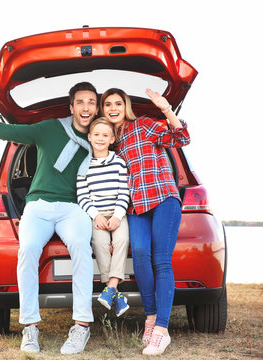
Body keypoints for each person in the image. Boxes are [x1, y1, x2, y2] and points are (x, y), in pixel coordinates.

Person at [0, 82, 98, 355]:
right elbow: (8, 131)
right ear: (71, 107)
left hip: (74, 207)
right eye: (80, 102)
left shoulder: (102, 136)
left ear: (96, 107)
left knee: (82, 248)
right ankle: (30, 328)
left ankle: (81, 326)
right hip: (38, 205)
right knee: (28, 251)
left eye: (91, 102)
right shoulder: (49, 128)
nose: (85, 107)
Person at [100, 88, 190, 356]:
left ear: (125, 105)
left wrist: (166, 109)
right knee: (139, 254)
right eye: (108, 104)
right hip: (136, 206)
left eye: (118, 103)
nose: (113, 108)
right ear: (103, 110)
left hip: (163, 198)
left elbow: (182, 137)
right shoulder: (110, 142)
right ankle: (151, 317)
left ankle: (161, 330)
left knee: (161, 260)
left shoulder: (144, 125)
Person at [76, 117, 130, 317]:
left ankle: (111, 287)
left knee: (122, 239)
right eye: (96, 134)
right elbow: (82, 195)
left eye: (105, 135)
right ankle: (115, 293)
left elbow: (124, 193)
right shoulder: (84, 165)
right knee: (99, 243)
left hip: (117, 212)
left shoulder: (118, 162)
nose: (100, 138)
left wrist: (117, 216)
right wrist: (95, 215)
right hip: (97, 214)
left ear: (112, 139)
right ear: (89, 137)